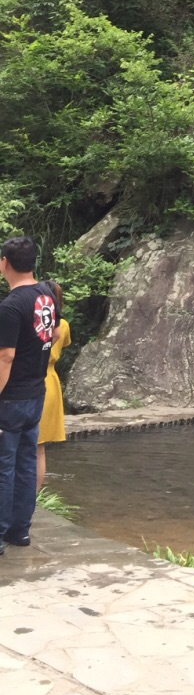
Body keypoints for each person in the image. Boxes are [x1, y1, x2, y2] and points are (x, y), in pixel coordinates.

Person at [0, 236, 60, 553]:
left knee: (3, 466)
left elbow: (5, 357)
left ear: (4, 263)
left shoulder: (11, 306)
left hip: (11, 397)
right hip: (37, 392)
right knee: (25, 463)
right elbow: (54, 332)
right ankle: (19, 531)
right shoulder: (47, 295)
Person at [37, 281, 71, 493]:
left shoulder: (31, 323)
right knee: (38, 448)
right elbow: (64, 343)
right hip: (51, 380)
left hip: (30, 380)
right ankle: (33, 496)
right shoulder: (64, 325)